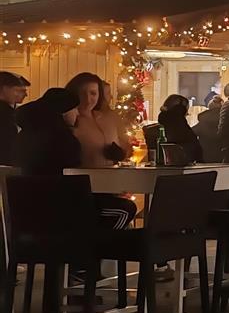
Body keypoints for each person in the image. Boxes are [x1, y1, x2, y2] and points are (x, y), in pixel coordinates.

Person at [17, 87, 135, 229]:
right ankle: (97, 242)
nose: (78, 113)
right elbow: (73, 175)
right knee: (126, 209)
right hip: (62, 207)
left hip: (28, 208)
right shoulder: (63, 139)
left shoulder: (24, 135)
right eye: (75, 109)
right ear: (64, 111)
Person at [64, 72, 130, 169]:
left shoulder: (108, 118)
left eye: (93, 93)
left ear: (99, 95)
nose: (88, 99)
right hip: (82, 176)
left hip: (110, 175)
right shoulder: (68, 121)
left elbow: (125, 145)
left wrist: (121, 153)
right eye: (82, 93)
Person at [145, 94, 203, 165]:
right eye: (186, 112)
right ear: (181, 110)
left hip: (155, 170)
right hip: (182, 170)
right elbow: (197, 156)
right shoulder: (184, 132)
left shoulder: (151, 130)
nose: (186, 115)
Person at [0, 71, 30, 166]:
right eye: (19, 90)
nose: (25, 95)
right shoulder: (5, 113)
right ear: (5, 89)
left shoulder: (11, 111)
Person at [194, 91, 224, 163]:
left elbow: (190, 134)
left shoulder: (202, 122)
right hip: (223, 157)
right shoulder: (226, 121)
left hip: (205, 157)